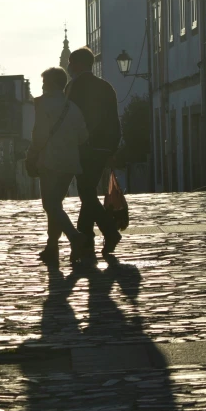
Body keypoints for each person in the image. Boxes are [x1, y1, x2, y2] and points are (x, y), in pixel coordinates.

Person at [26, 67, 90, 267]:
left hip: (49, 162)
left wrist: (31, 155)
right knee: (56, 205)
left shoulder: (40, 104)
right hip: (70, 164)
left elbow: (38, 135)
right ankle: (51, 247)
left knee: (50, 205)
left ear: (51, 84)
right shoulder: (72, 107)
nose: (42, 86)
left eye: (44, 82)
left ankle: (74, 237)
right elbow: (83, 137)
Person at [65, 46, 122, 261]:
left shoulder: (73, 88)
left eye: (71, 63)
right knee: (87, 192)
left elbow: (70, 120)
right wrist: (113, 148)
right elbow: (115, 120)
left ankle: (108, 232)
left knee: (86, 193)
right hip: (104, 147)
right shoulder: (106, 87)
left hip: (84, 147)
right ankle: (85, 242)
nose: (69, 67)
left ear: (78, 64)